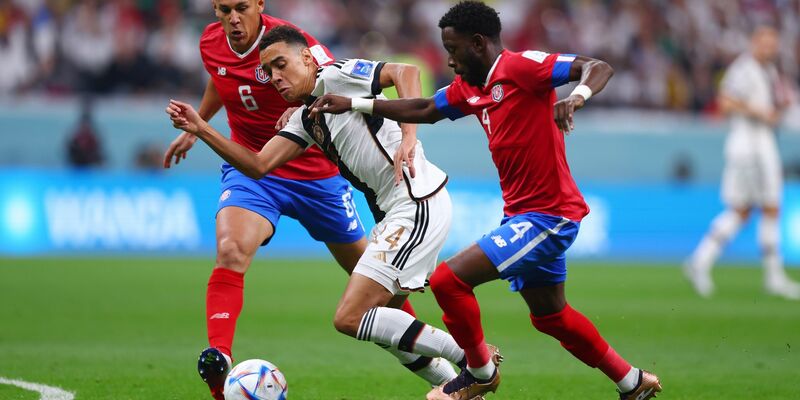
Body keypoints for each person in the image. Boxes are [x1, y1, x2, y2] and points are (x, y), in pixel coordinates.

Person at [309, 2, 661, 399]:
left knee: (448, 280)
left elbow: (597, 66)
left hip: (550, 216)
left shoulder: (523, 67)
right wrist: (356, 103)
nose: (450, 61)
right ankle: (632, 382)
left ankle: (478, 373)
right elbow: (425, 107)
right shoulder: (470, 89)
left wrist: (576, 97)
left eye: (454, 50)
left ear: (478, 44)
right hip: (521, 215)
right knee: (551, 317)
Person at [168, 25, 506, 396]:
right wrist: (202, 128)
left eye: (282, 65)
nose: (276, 78)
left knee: (350, 317)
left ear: (308, 59)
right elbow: (258, 165)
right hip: (397, 215)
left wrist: (410, 135)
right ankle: (456, 380)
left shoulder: (337, 75)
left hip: (416, 204)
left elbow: (404, 72)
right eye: (269, 72)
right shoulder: (307, 118)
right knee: (383, 323)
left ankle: (475, 361)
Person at [159, 2, 418, 399]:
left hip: (317, 174)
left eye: (241, 8)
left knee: (378, 285)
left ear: (260, 4)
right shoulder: (211, 42)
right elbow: (221, 78)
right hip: (251, 167)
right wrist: (201, 126)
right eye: (224, 9)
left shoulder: (297, 44)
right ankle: (219, 364)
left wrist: (302, 108)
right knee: (231, 250)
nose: (232, 18)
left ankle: (432, 356)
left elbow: (331, 82)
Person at [684, 26, 799, 300]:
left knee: (744, 210)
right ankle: (773, 276)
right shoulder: (743, 69)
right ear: (754, 43)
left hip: (760, 144)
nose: (770, 48)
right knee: (767, 207)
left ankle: (700, 260)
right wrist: (758, 111)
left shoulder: (767, 71)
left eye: (773, 44)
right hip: (750, 147)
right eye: (765, 43)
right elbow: (724, 103)